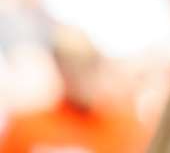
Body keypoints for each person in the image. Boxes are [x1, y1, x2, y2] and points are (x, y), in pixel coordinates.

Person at [0, 28, 148, 153]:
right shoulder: (27, 126)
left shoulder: (127, 126)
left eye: (87, 66)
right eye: (71, 68)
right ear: (60, 69)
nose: (81, 78)